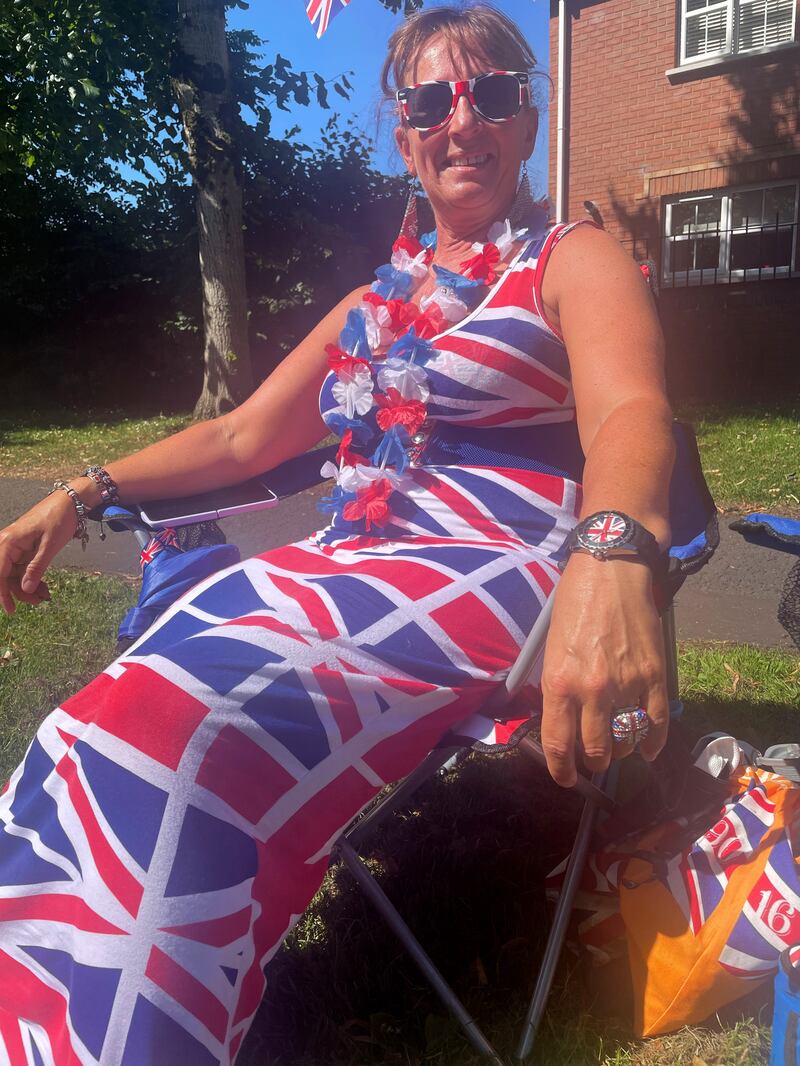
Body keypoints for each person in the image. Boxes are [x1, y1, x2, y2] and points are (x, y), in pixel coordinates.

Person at [0, 3, 674, 1061]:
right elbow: (238, 438)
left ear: (526, 121)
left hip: (487, 571)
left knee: (184, 744)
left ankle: (145, 1025)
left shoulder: (566, 258)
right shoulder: (377, 302)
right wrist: (83, 489)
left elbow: (633, 416)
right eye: (430, 102)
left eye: (491, 92)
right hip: (349, 560)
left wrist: (610, 548)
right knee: (78, 734)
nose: (463, 119)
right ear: (403, 136)